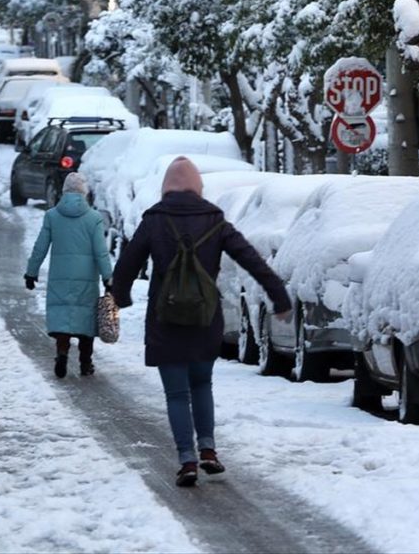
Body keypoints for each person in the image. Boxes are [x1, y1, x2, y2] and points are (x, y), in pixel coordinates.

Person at [111, 157, 292, 487]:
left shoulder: (154, 220)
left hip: (165, 318)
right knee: (201, 384)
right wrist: (279, 297)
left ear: (166, 186)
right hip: (205, 318)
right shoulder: (214, 220)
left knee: (177, 394)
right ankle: (208, 448)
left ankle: (187, 459)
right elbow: (251, 259)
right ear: (197, 186)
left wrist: (119, 298)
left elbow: (127, 264)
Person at [25, 172, 113, 378]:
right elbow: (101, 252)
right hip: (86, 279)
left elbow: (40, 247)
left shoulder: (52, 216)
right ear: (84, 192)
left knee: (63, 318)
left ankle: (62, 353)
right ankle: (85, 363)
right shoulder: (94, 218)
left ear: (64, 191)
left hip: (60, 278)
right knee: (86, 321)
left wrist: (31, 272)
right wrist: (108, 278)